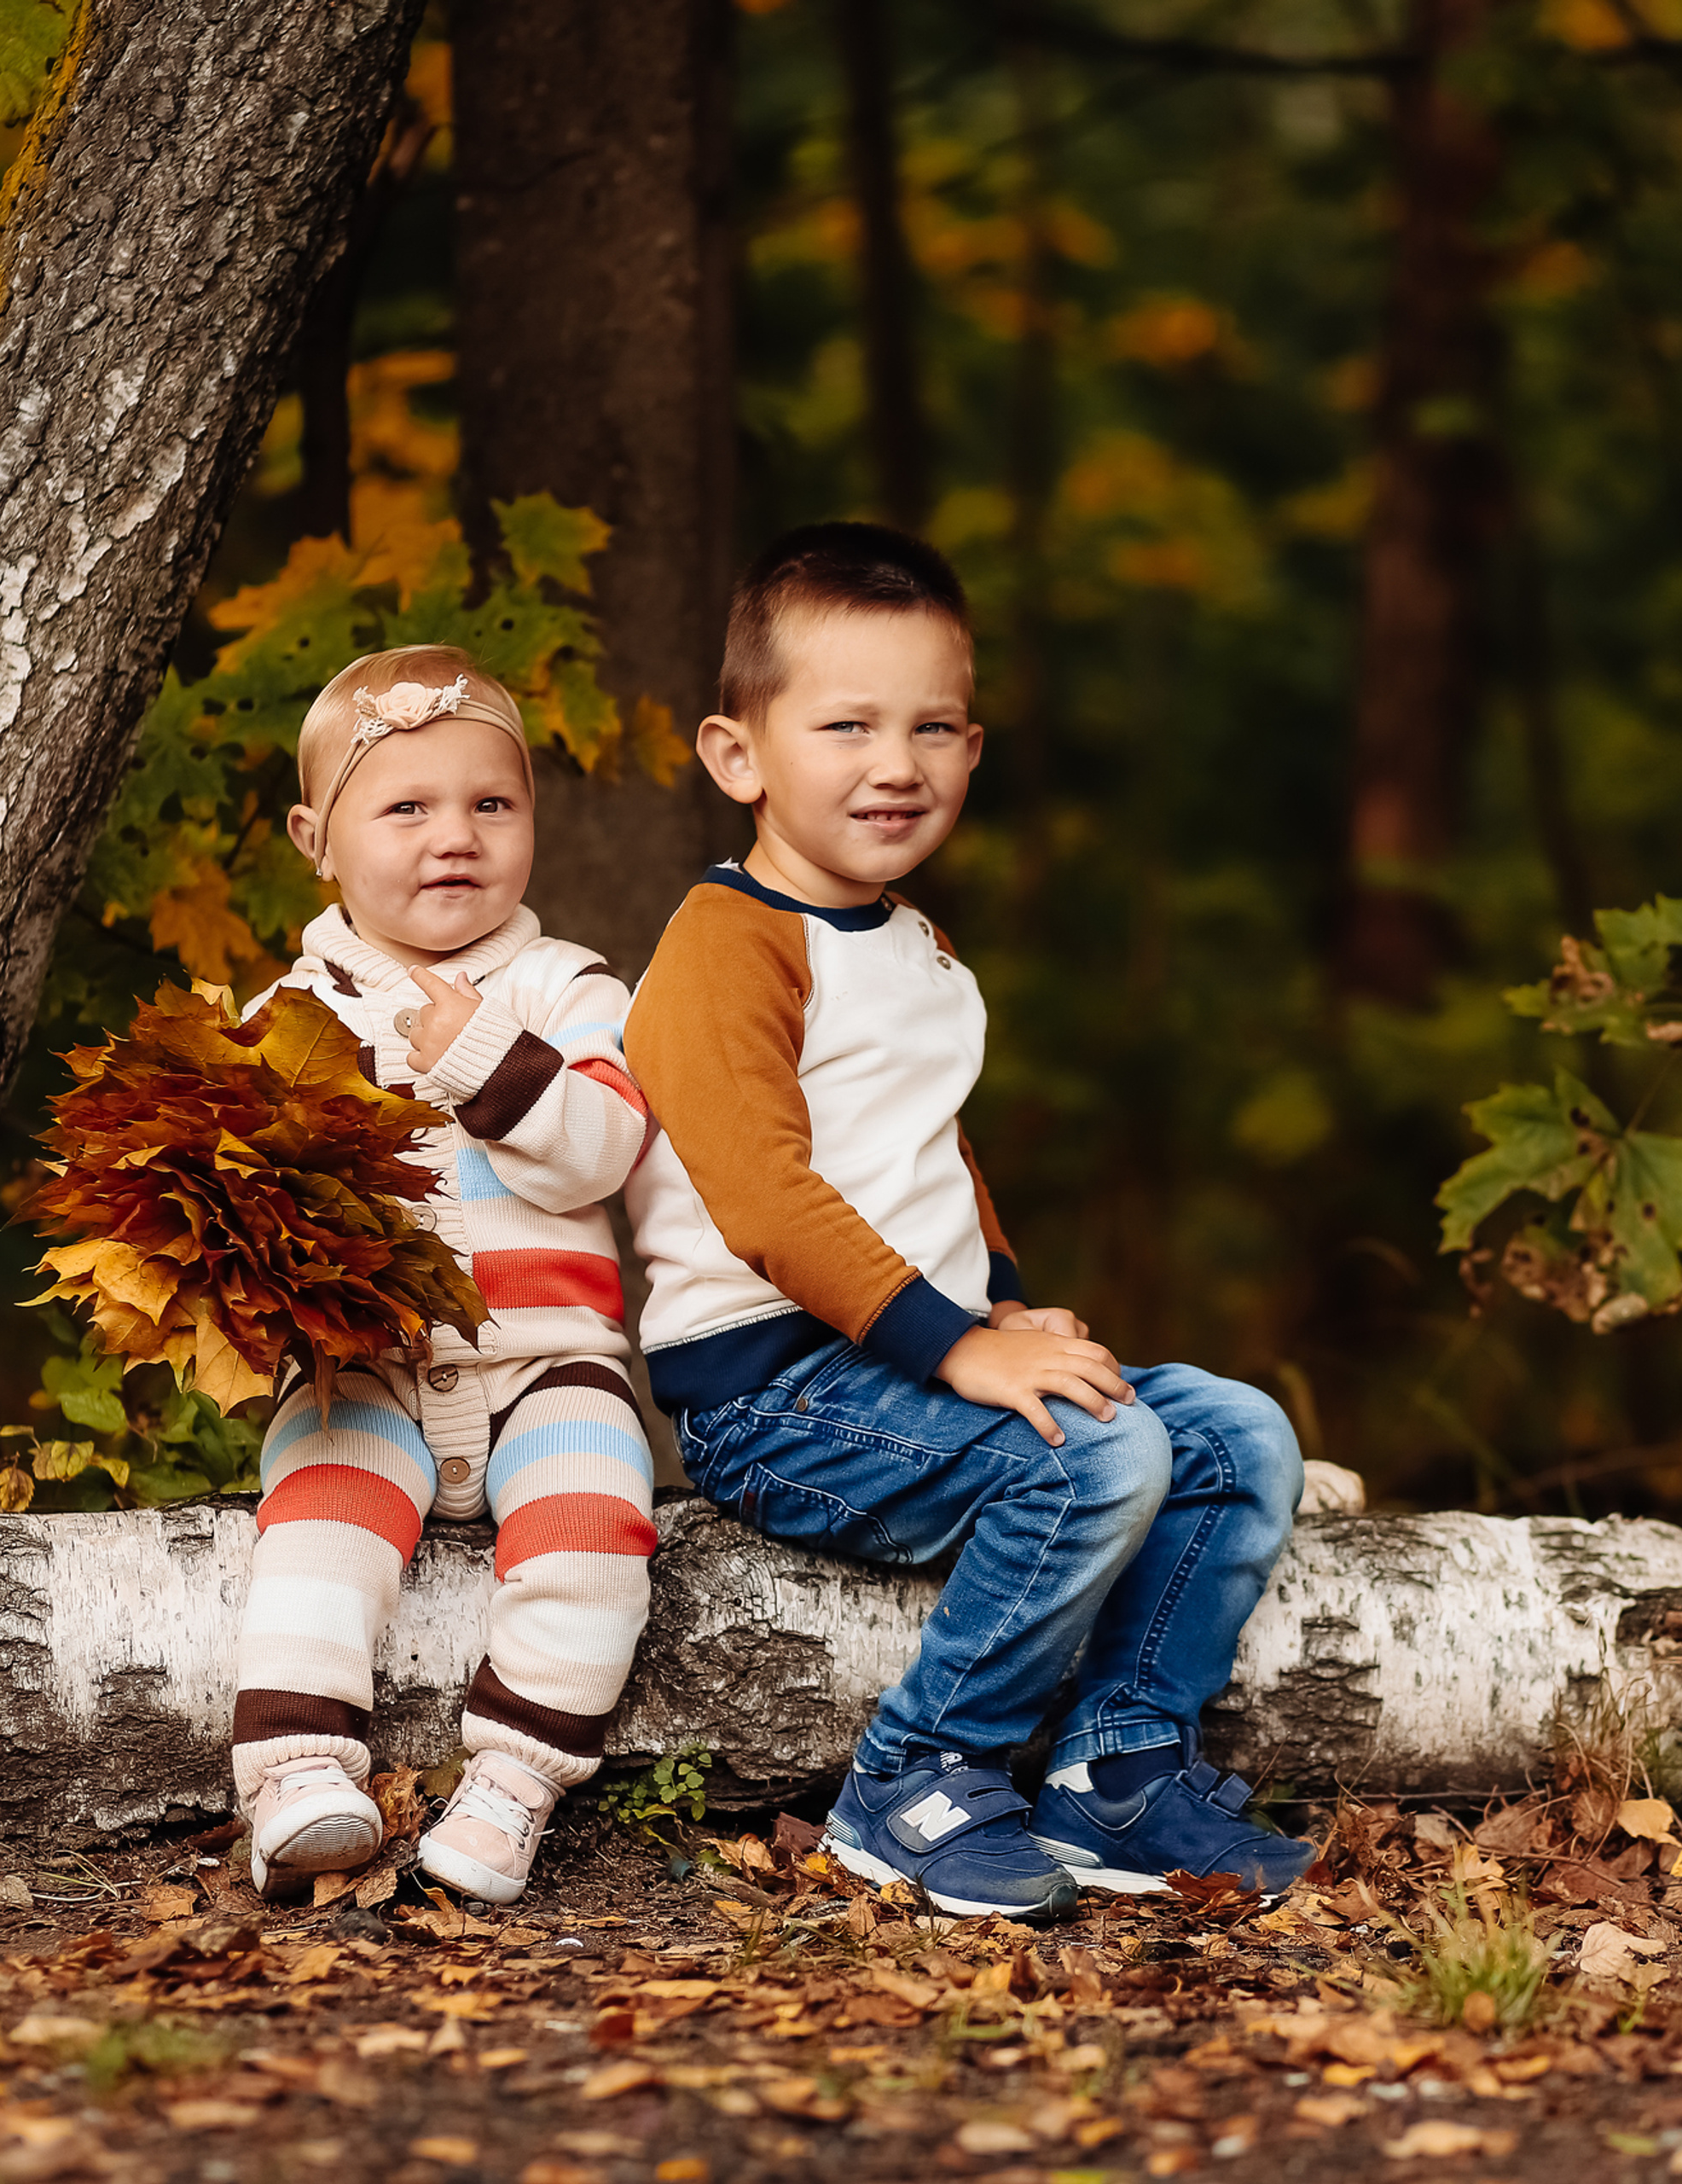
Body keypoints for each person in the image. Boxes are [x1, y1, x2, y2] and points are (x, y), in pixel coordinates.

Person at [624, 525, 1313, 1924]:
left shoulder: (922, 949)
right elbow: (764, 1200)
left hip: (912, 1353)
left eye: (934, 726)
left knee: (1238, 1434)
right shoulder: (726, 944)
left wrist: (1002, 1302)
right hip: (774, 1390)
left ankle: (1115, 1773)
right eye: (848, 725)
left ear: (975, 750)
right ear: (738, 755)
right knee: (1094, 1457)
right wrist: (959, 1351)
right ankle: (917, 1773)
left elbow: (935, 1155)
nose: (898, 763)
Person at [230, 644, 656, 1906]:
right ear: (318, 838)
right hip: (369, 1367)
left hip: (545, 1359)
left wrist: (481, 1054)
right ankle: (300, 1768)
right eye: (405, 808)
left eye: (491, 804)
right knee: (314, 1533)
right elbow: (241, 1217)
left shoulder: (564, 985)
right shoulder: (281, 1019)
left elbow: (602, 1149)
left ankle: (517, 1776)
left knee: (593, 1524)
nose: (452, 837)